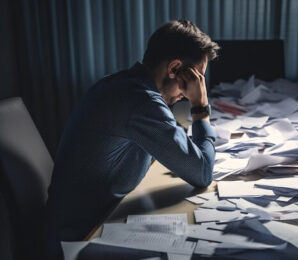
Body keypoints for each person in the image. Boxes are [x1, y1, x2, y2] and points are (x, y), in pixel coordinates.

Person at [43, 20, 220, 259]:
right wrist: (200, 106)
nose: (189, 92)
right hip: (82, 237)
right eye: (195, 78)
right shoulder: (141, 101)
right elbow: (202, 172)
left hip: (91, 217)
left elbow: (172, 141)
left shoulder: (122, 85)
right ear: (174, 68)